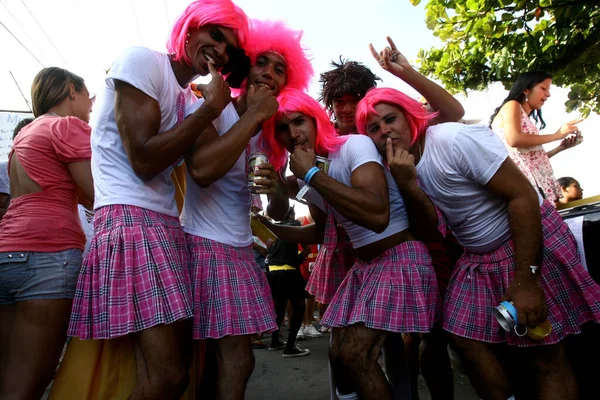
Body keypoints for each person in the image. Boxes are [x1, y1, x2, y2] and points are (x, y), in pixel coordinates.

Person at [356, 86, 600, 400]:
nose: (384, 131)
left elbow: (522, 195)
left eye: (390, 119)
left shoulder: (451, 140)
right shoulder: (399, 167)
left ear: (410, 116)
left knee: (547, 356)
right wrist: (408, 185)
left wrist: (527, 280)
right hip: (479, 258)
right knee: (460, 335)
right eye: (374, 128)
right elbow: (432, 230)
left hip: (525, 240)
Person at [67, 1, 250, 399]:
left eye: (229, 49)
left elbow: (203, 165)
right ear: (190, 26)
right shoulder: (141, 61)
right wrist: (211, 110)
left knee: (173, 374)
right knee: (167, 376)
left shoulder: (187, 96)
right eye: (215, 35)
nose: (219, 51)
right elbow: (145, 159)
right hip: (131, 221)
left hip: (166, 227)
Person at [259, 87, 441, 400]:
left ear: (316, 120)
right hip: (366, 266)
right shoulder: (306, 173)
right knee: (340, 355)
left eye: (299, 121)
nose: (293, 133)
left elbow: (377, 214)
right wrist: (273, 204)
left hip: (399, 257)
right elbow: (316, 227)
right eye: (282, 129)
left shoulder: (353, 145)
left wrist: (312, 175)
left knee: (359, 355)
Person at [180, 18, 312, 399]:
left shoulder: (271, 138)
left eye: (279, 69)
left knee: (225, 363)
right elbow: (203, 170)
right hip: (203, 245)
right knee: (228, 361)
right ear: (245, 66)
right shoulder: (211, 105)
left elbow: (275, 210)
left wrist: (276, 188)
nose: (269, 74)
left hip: (239, 250)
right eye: (262, 63)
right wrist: (253, 115)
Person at [0, 67, 94, 400]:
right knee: (28, 383)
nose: (90, 105)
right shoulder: (67, 126)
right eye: (86, 96)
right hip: (48, 254)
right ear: (71, 90)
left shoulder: (23, 136)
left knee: (7, 374)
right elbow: (97, 193)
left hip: (7, 250)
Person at [490, 71, 583, 203]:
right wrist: (558, 135)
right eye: (543, 88)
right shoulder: (512, 105)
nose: (548, 94)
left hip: (533, 185)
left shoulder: (523, 116)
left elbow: (531, 160)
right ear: (526, 90)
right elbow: (515, 139)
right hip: (523, 186)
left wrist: (561, 147)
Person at [265, 207, 312, 357]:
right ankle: (290, 346)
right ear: (291, 214)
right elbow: (307, 249)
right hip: (289, 272)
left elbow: (265, 249)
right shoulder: (295, 226)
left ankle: (274, 341)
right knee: (299, 306)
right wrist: (296, 260)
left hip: (272, 272)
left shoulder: (270, 227)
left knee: (278, 308)